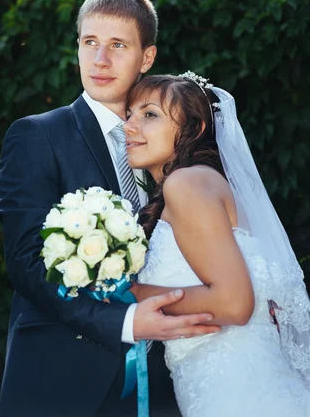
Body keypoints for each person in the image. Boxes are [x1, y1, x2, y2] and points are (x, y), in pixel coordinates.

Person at [0, 0, 220, 417]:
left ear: (147, 57)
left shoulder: (173, 142)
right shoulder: (37, 135)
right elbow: (26, 262)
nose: (100, 61)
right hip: (63, 377)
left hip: (167, 376)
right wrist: (125, 323)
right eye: (89, 43)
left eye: (118, 46)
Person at [124, 72, 310, 417]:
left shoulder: (187, 183)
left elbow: (234, 304)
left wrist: (127, 293)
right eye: (130, 114)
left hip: (240, 397)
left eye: (149, 114)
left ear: (193, 130)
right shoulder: (200, 184)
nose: (130, 126)